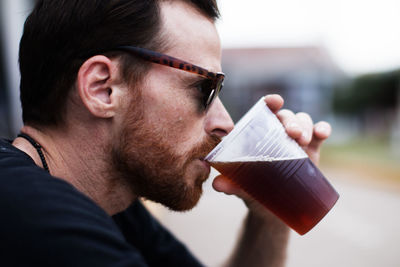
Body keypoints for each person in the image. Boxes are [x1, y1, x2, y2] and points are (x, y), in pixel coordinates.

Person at [0, 0, 332, 266]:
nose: (225, 123)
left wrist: (269, 217)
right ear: (102, 88)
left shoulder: (111, 205)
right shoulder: (43, 223)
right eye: (205, 89)